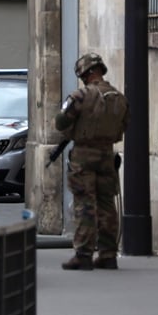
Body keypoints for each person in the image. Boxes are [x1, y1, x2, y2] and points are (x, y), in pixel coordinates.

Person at [55, 53, 129, 271]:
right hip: (107, 155)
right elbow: (124, 125)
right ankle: (108, 254)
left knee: (85, 204)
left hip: (83, 157)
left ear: (86, 74)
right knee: (107, 205)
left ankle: (83, 254)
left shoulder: (80, 96)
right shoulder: (119, 97)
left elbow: (61, 122)